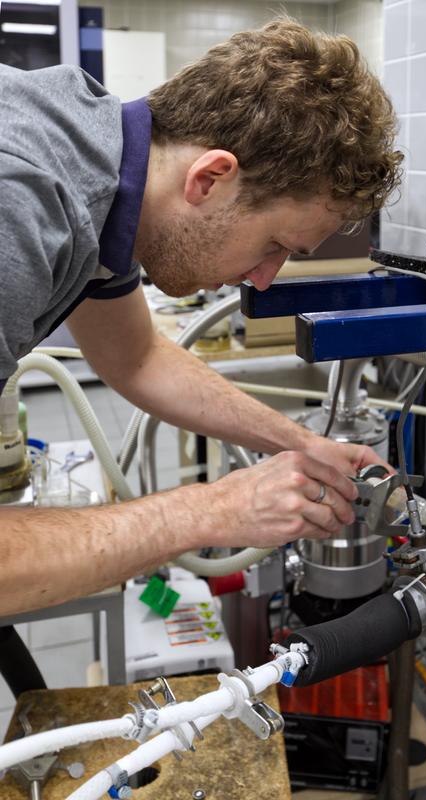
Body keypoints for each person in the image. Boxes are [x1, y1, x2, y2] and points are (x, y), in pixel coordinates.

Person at [0, 19, 402, 616]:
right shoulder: (23, 203)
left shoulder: (103, 171)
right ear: (211, 177)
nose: (266, 277)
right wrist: (214, 510)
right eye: (274, 244)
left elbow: (137, 356)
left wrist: (300, 443)